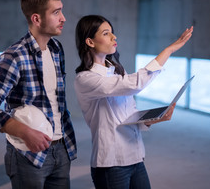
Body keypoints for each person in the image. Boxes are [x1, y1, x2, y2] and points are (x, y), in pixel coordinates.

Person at [74, 15, 193, 189]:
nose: (114, 37)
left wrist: (153, 119)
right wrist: (168, 50)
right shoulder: (85, 79)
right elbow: (136, 84)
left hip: (136, 156)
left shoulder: (116, 73)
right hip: (111, 163)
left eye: (112, 32)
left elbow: (129, 115)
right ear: (90, 42)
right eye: (106, 33)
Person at [0, 0, 77, 189]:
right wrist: (24, 132)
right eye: (56, 12)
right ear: (36, 19)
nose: (63, 18)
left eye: (62, 10)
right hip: (28, 154)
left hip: (62, 147)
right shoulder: (14, 56)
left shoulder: (56, 49)